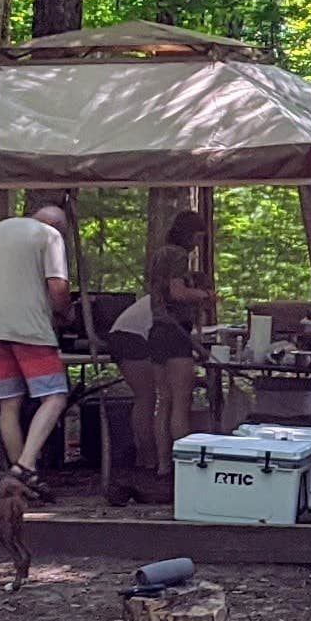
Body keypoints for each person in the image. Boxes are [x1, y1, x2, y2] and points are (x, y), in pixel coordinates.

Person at [0, 199, 75, 486]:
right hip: (31, 330)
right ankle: (25, 465)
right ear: (58, 227)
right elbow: (58, 287)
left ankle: (23, 478)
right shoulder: (49, 236)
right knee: (55, 396)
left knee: (9, 404)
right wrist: (65, 313)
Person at [124, 205, 217, 487]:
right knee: (180, 401)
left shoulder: (159, 254)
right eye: (198, 237)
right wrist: (204, 295)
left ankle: (163, 463)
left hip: (156, 332)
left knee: (163, 401)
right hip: (175, 332)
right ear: (190, 235)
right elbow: (176, 292)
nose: (198, 244)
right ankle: (183, 465)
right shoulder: (178, 255)